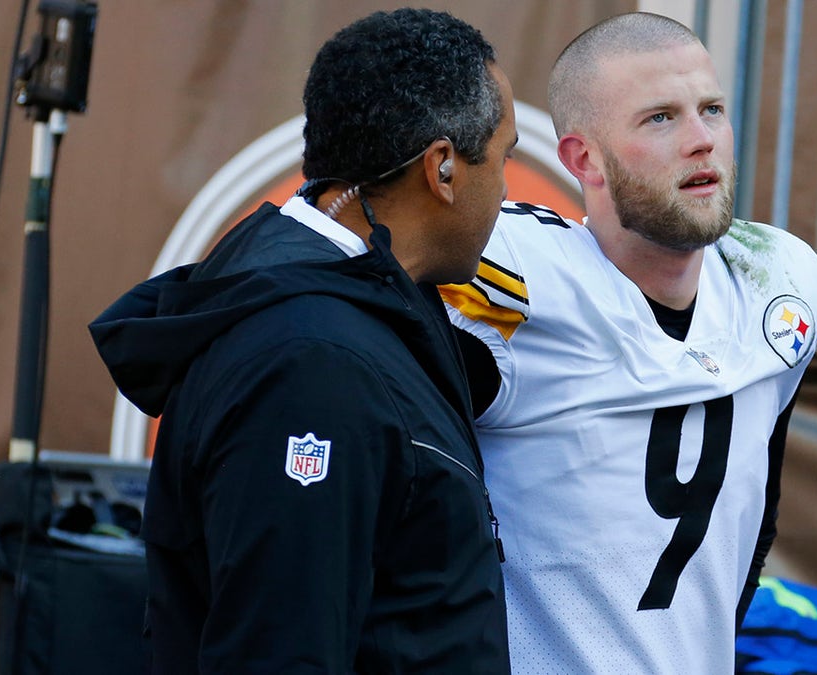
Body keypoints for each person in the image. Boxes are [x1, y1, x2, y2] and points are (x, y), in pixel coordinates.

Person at [89, 9, 517, 673]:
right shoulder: (313, 366)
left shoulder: (354, 310)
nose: (507, 188)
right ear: (443, 169)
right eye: (504, 157)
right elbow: (281, 650)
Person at [441, 11, 817, 673]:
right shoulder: (511, 279)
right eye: (660, 118)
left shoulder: (781, 282)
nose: (701, 140)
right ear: (582, 158)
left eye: (711, 109)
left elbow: (754, 507)